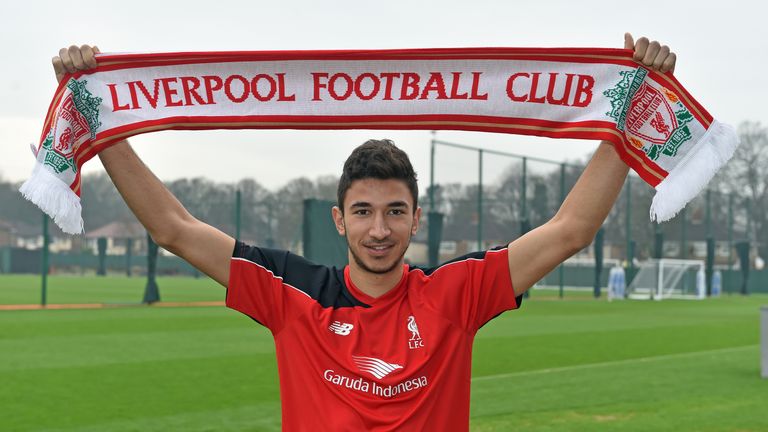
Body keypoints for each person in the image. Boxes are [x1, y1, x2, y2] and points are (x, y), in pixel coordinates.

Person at [53, 33, 676, 431]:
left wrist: (628, 115)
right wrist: (102, 124)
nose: (379, 229)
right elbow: (175, 229)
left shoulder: (456, 293)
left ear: (416, 218)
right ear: (339, 218)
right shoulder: (291, 292)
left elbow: (570, 230)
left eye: (395, 212)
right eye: (363, 212)